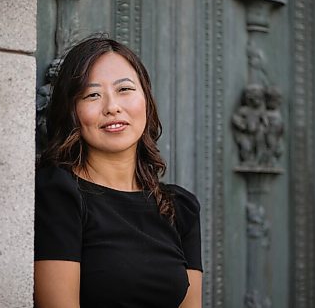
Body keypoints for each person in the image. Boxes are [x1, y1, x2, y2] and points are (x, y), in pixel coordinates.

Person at [34, 35, 203, 308]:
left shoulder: (179, 208)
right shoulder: (59, 194)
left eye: (124, 90)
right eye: (92, 95)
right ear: (72, 112)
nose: (112, 107)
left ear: (146, 99)